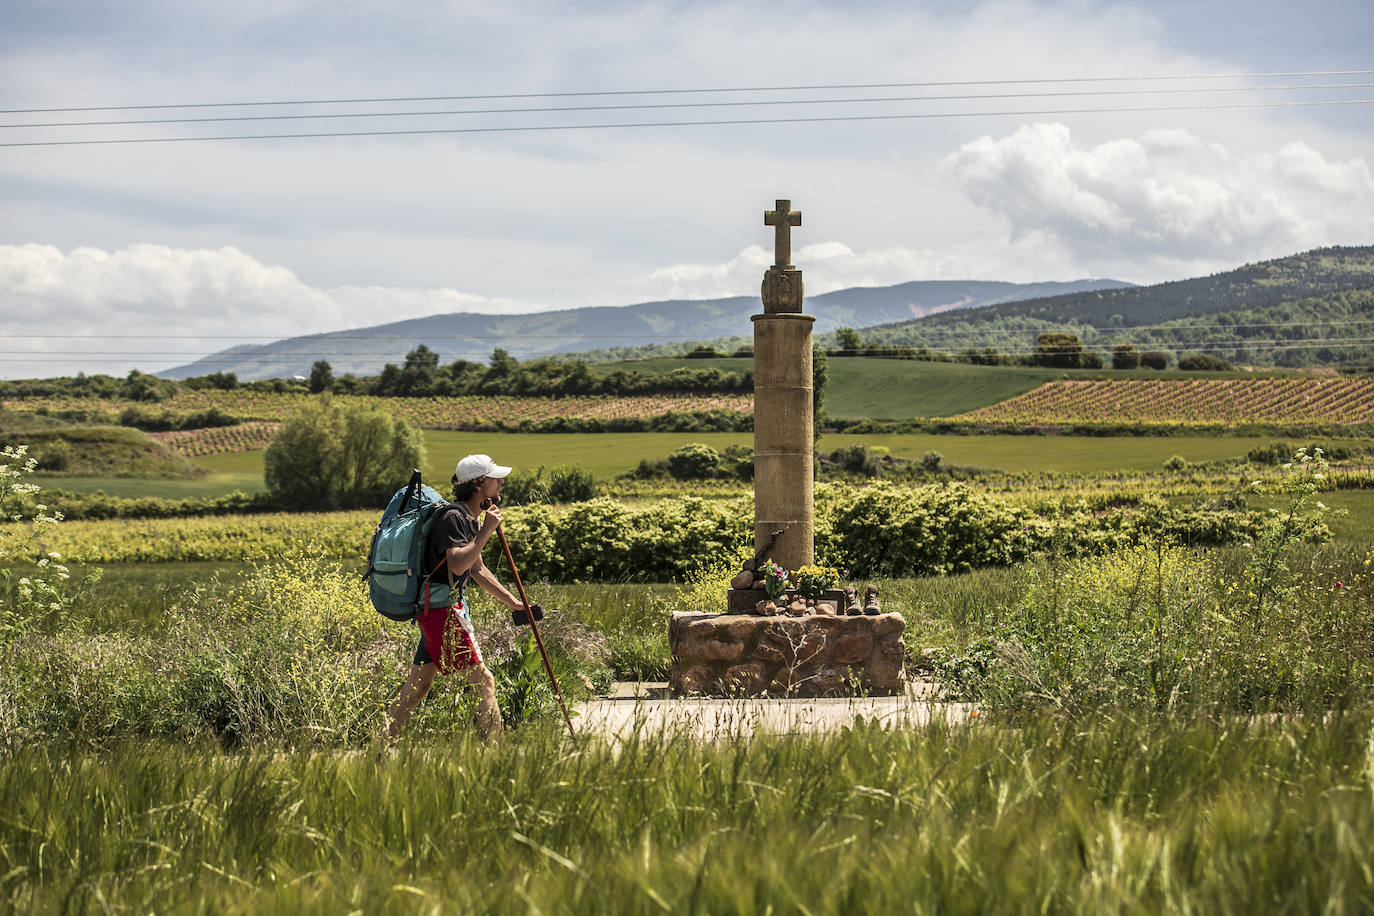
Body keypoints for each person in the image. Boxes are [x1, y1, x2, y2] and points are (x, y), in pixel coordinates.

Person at [385, 454, 527, 741]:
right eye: (495, 478)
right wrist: (487, 530)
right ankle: (498, 753)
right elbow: (458, 564)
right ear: (478, 484)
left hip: (440, 611)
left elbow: (478, 570)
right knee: (484, 681)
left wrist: (514, 603)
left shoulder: (467, 519)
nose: (501, 481)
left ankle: (379, 744)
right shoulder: (453, 518)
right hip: (443, 614)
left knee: (418, 687)